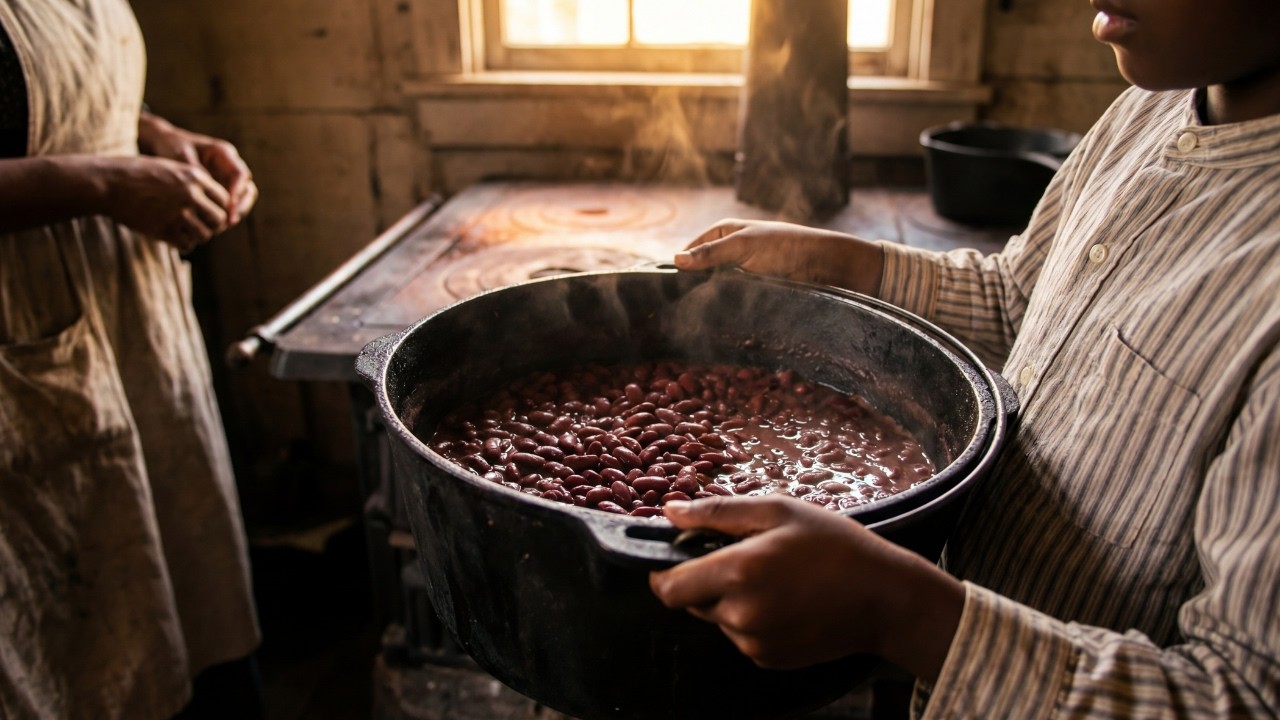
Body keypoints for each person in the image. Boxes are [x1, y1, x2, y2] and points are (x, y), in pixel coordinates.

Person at [650, 0, 1280, 717]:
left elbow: (1246, 696)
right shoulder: (1148, 109)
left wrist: (903, 613)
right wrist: (843, 262)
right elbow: (1022, 303)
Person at [0, 1, 262, 718]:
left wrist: (152, 133)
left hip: (129, 319)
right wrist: (105, 183)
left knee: (175, 577)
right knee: (64, 647)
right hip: (20, 330)